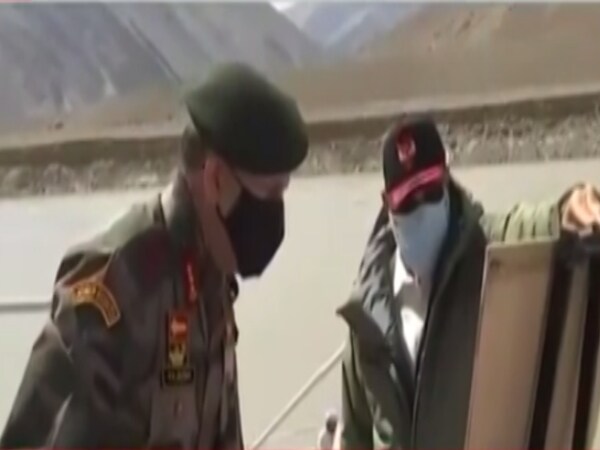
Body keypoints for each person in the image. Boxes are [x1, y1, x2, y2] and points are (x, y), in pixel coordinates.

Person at [0, 62, 308, 449]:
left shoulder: (211, 277)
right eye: (271, 194)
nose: (275, 214)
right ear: (215, 179)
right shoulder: (114, 282)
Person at [336, 117, 600, 449]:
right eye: (407, 201)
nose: (421, 208)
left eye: (430, 191)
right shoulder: (366, 316)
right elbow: (355, 433)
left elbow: (528, 224)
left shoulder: (485, 254)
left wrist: (570, 208)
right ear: (386, 202)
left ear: (447, 179)